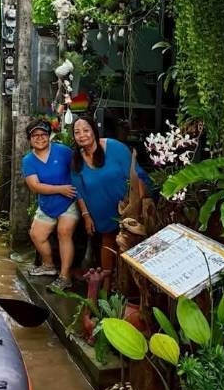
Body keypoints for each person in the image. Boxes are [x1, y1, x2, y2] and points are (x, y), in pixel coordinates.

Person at [71, 111, 139, 276]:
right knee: (107, 241)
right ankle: (106, 285)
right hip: (101, 213)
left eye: (86, 130)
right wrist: (86, 216)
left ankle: (125, 285)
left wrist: (135, 204)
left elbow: (135, 175)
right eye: (77, 132)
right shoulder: (76, 160)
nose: (82, 135)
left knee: (129, 242)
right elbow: (78, 190)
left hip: (127, 209)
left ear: (94, 130)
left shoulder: (115, 147)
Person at [21, 118, 78, 284]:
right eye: (35, 136)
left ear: (49, 136)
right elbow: (35, 186)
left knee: (64, 232)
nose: (40, 138)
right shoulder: (28, 160)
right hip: (47, 204)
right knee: (36, 235)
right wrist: (60, 189)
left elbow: (79, 169)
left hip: (69, 201)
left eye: (43, 134)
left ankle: (65, 276)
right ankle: (48, 265)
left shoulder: (64, 151)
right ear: (30, 139)